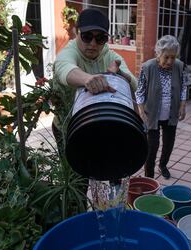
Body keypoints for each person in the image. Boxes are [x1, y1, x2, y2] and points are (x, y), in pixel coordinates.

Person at [52, 8, 137, 153]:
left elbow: (134, 84)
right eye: (87, 36)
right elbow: (64, 68)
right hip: (68, 127)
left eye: (100, 38)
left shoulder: (110, 56)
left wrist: (121, 74)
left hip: (101, 122)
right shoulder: (69, 52)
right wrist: (88, 79)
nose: (93, 43)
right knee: (76, 173)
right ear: (76, 32)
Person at [135, 35, 187, 179]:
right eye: (166, 57)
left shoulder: (179, 66)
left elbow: (183, 87)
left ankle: (163, 165)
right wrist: (140, 110)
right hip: (152, 114)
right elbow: (139, 91)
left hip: (171, 114)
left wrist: (183, 105)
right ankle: (149, 175)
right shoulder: (147, 67)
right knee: (152, 147)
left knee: (168, 145)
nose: (170, 61)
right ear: (158, 54)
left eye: (173, 57)